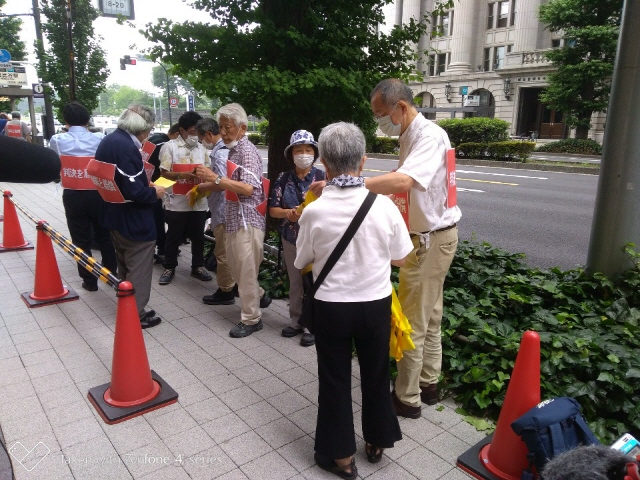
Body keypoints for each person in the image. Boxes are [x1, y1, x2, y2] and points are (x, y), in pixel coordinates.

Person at [295, 122, 413, 479]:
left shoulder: (314, 210)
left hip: (332, 307)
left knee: (334, 379)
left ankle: (341, 458)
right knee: (376, 375)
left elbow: (302, 262)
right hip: (375, 305)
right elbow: (401, 258)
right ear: (363, 162)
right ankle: (377, 441)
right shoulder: (384, 207)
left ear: (325, 164)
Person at [365, 78, 461, 418]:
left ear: (401, 108)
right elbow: (409, 184)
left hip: (429, 241)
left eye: (381, 114)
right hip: (434, 237)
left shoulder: (428, 136)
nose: (380, 121)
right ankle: (428, 383)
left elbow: (406, 181)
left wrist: (352, 184)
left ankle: (407, 398)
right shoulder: (413, 135)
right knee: (430, 314)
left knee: (412, 320)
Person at [193, 103, 271, 339]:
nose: (224, 133)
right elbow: (229, 185)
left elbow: (249, 188)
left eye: (228, 128)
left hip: (248, 220)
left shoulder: (246, 152)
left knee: (244, 271)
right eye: (222, 128)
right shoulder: (234, 150)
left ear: (242, 128)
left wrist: (215, 178)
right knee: (238, 269)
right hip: (235, 219)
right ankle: (259, 294)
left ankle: (251, 318)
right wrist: (210, 183)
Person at [95, 104, 165, 329]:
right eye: (149, 129)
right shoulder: (127, 147)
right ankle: (134, 315)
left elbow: (121, 181)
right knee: (139, 267)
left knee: (124, 264)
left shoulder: (109, 140)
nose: (149, 134)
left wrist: (144, 184)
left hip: (114, 214)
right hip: (133, 219)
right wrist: (155, 191)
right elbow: (135, 192)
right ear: (142, 129)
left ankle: (129, 307)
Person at [48, 101, 117, 292]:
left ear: (65, 120)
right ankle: (111, 273)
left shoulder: (57, 139)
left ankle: (89, 280)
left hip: (72, 195)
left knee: (80, 240)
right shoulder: (98, 138)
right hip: (98, 194)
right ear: (88, 119)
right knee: (104, 235)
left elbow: (54, 163)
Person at [268, 130, 325, 347]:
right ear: (291, 154)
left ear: (314, 153)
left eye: (307, 150)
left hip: (317, 240)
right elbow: (273, 210)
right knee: (295, 282)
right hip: (291, 238)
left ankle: (313, 325)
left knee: (314, 282)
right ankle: (296, 321)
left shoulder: (323, 179)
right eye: (298, 150)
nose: (303, 154)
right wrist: (288, 213)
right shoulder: (283, 179)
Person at [157, 111, 213, 285]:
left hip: (198, 201)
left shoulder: (202, 148)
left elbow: (209, 171)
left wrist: (204, 176)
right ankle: (169, 266)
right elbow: (164, 173)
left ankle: (198, 266)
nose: (195, 135)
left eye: (198, 131)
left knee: (198, 235)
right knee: (174, 235)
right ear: (181, 130)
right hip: (177, 201)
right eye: (192, 131)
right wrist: (184, 175)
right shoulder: (170, 147)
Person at [194, 117, 237, 305]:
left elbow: (221, 182)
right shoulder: (228, 149)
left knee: (223, 253)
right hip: (230, 208)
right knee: (231, 252)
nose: (201, 142)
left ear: (209, 135)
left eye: (201, 138)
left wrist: (203, 187)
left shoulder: (220, 154)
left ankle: (226, 291)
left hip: (223, 209)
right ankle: (235, 286)